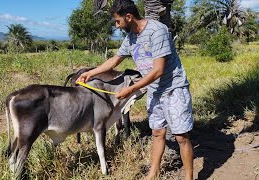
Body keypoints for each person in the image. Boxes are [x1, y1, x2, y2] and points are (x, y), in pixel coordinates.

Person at [76, 0, 194, 179]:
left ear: (129, 17)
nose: (117, 25)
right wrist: (90, 73)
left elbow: (158, 70)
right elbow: (114, 61)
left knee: (181, 137)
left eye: (118, 21)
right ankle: (152, 174)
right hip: (155, 90)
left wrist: (130, 89)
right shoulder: (131, 37)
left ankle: (189, 177)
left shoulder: (157, 31)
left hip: (173, 88)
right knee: (157, 133)